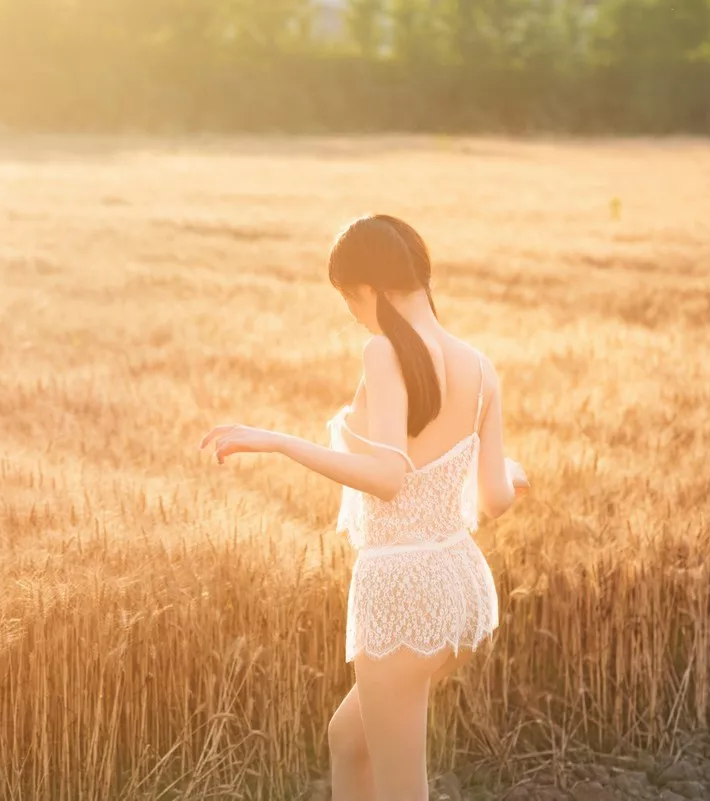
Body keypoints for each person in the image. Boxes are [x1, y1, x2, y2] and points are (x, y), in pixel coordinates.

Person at [198, 214, 529, 801]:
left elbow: (388, 478)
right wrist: (511, 473)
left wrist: (278, 442)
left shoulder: (383, 352)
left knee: (402, 791)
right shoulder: (480, 367)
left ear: (369, 288)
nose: (353, 313)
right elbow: (496, 500)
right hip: (460, 588)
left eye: (349, 298)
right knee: (349, 741)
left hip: (401, 592)